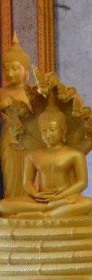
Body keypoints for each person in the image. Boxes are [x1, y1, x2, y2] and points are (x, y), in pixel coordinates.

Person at [0, 96, 92, 219]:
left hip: (64, 197)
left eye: (52, 130)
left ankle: (41, 213)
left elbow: (82, 183)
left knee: (88, 203)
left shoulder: (75, 154)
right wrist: (36, 194)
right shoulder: (33, 155)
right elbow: (27, 182)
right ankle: (47, 211)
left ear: (63, 131)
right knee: (3, 205)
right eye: (43, 131)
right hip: (41, 199)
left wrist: (59, 197)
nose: (47, 135)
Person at [0, 35, 33, 198]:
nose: (10, 73)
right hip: (9, 139)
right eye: (6, 69)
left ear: (26, 70)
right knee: (10, 175)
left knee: (29, 174)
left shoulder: (33, 92)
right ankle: (12, 202)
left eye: (14, 68)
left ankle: (29, 202)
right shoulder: (1, 92)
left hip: (28, 140)